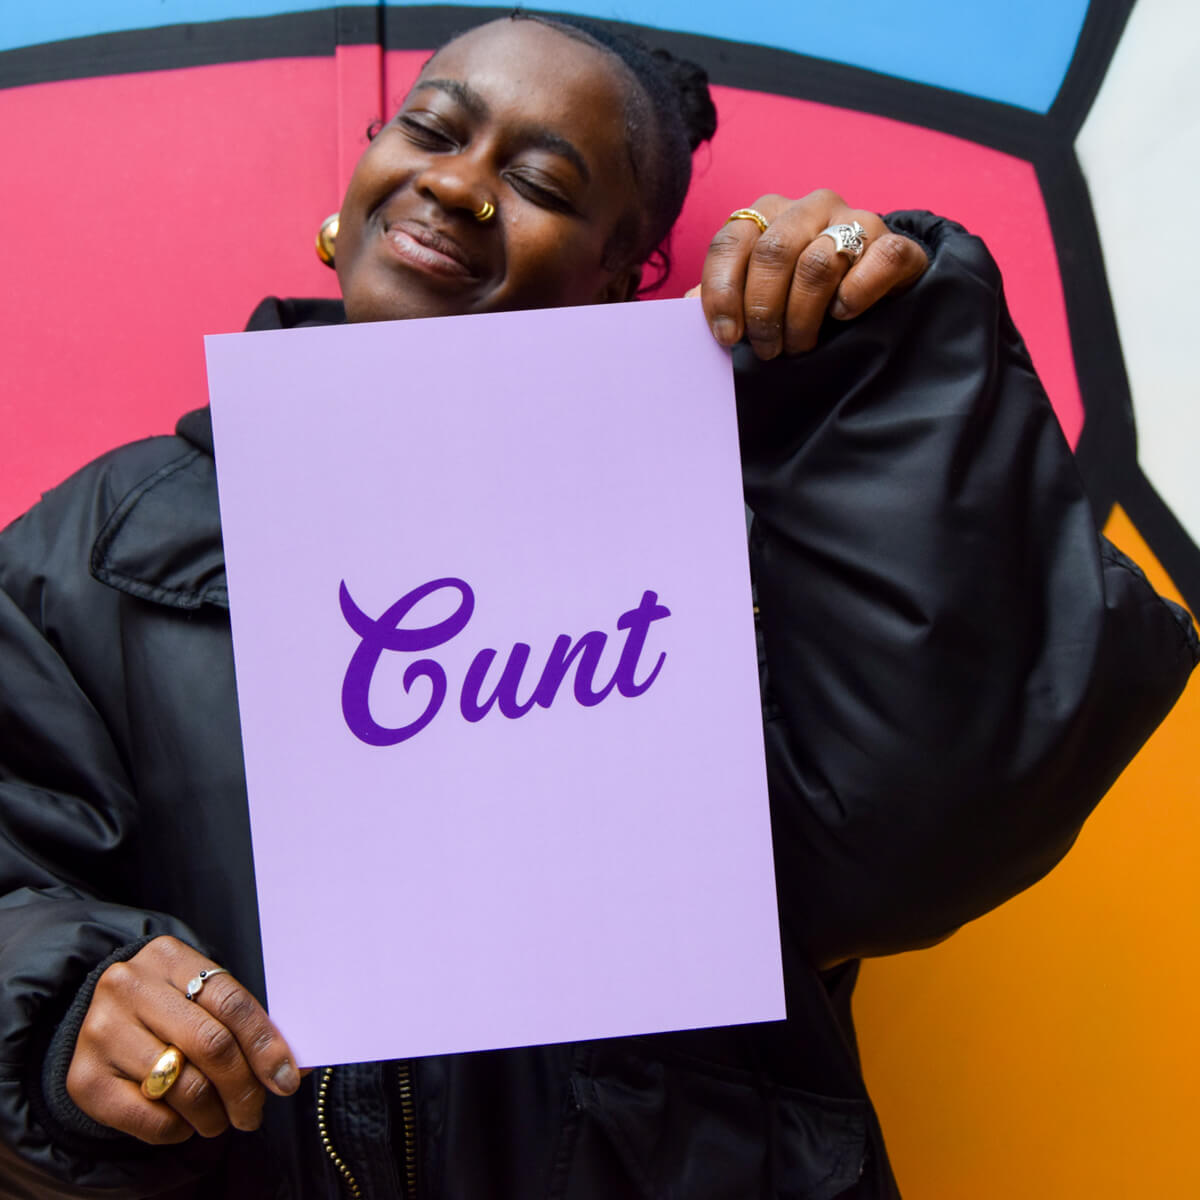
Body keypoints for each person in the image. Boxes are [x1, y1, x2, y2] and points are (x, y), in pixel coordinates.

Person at [0, 13, 1194, 1200]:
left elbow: (930, 825)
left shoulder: (743, 527)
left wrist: (877, 360)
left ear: (618, 280)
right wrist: (68, 1009)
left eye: (539, 184)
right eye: (431, 129)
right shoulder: (96, 547)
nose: (456, 184)